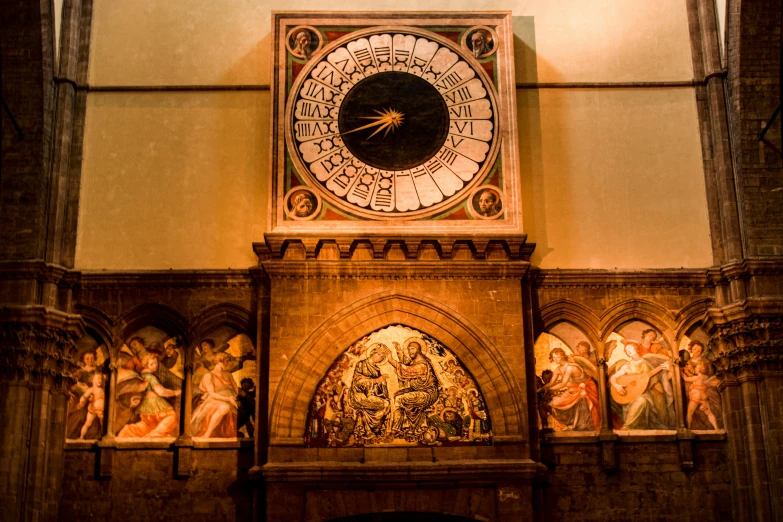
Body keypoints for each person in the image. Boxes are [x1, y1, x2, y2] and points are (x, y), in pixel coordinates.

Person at [609, 342, 675, 430]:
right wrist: (617, 386)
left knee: (644, 399)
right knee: (642, 400)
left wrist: (670, 369)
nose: (628, 351)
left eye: (630, 348)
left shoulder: (649, 363)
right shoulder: (627, 366)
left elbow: (663, 378)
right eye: (626, 350)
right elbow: (613, 378)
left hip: (651, 393)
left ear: (637, 349)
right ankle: (628, 426)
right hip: (631, 395)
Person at [387, 339, 440, 440]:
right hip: (419, 391)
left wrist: (390, 360)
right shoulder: (415, 361)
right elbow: (406, 362)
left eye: (412, 349)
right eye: (409, 349)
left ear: (419, 350)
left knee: (399, 399)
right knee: (397, 394)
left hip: (427, 394)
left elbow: (406, 369)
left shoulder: (422, 365)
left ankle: (395, 430)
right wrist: (398, 350)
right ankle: (404, 427)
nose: (410, 351)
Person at [118, 355, 181, 438]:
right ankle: (156, 434)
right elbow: (161, 391)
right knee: (172, 416)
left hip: (146, 404)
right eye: (152, 364)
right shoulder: (151, 377)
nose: (155, 365)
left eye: (155, 363)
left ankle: (128, 430)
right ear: (146, 365)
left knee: (148, 424)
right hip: (154, 402)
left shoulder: (142, 376)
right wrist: (175, 392)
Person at [538, 348, 601, 431]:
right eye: (554, 357)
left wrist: (550, 389)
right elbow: (551, 383)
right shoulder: (558, 369)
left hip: (582, 390)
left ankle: (567, 424)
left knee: (556, 402)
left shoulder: (570, 367)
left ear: (563, 356)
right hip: (573, 391)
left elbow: (563, 383)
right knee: (553, 403)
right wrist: (541, 389)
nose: (555, 359)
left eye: (558, 357)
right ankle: (564, 425)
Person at [349, 345, 392, 442]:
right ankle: (369, 431)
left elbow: (379, 386)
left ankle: (373, 430)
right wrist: (377, 380)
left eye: (382, 356)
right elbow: (358, 381)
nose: (379, 357)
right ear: (373, 352)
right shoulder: (361, 364)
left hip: (372, 395)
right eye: (378, 354)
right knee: (384, 404)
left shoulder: (376, 369)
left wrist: (382, 382)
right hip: (359, 395)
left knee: (387, 404)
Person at [191, 352, 239, 438]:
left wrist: (238, 398)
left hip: (232, 399)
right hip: (214, 400)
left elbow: (236, 389)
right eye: (227, 361)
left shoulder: (228, 374)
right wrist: (228, 399)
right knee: (225, 407)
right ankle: (207, 434)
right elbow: (212, 394)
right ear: (220, 361)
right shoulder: (208, 376)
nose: (228, 363)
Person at [682, 360, 721, 430]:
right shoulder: (704, 377)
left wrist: (680, 372)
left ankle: (688, 428)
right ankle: (716, 428)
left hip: (696, 396)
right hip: (703, 397)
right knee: (709, 413)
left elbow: (686, 379)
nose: (695, 368)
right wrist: (687, 372)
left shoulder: (697, 377)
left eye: (697, 367)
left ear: (700, 369)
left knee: (689, 413)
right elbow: (693, 378)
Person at [76, 373, 105, 440]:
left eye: (101, 379)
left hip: (101, 411)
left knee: (103, 424)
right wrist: (81, 402)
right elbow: (84, 396)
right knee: (88, 423)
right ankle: (81, 437)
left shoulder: (102, 390)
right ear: (93, 380)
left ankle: (104, 437)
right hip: (93, 409)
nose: (100, 380)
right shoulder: (92, 389)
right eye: (98, 378)